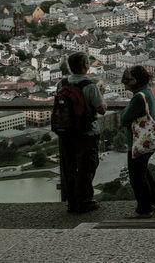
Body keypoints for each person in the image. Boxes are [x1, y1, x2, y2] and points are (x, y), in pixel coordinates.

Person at [55, 52, 105, 215]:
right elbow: (101, 110)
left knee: (69, 168)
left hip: (66, 133)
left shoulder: (61, 83)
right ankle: (85, 201)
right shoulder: (89, 85)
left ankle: (72, 202)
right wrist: (101, 94)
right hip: (86, 133)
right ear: (85, 65)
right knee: (87, 167)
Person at [120, 65, 155, 219]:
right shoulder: (147, 91)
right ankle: (154, 198)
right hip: (148, 139)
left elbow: (124, 119)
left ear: (134, 81)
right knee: (142, 171)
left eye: (127, 81)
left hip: (138, 141)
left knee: (136, 176)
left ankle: (144, 209)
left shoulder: (138, 97)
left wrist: (126, 109)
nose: (124, 85)